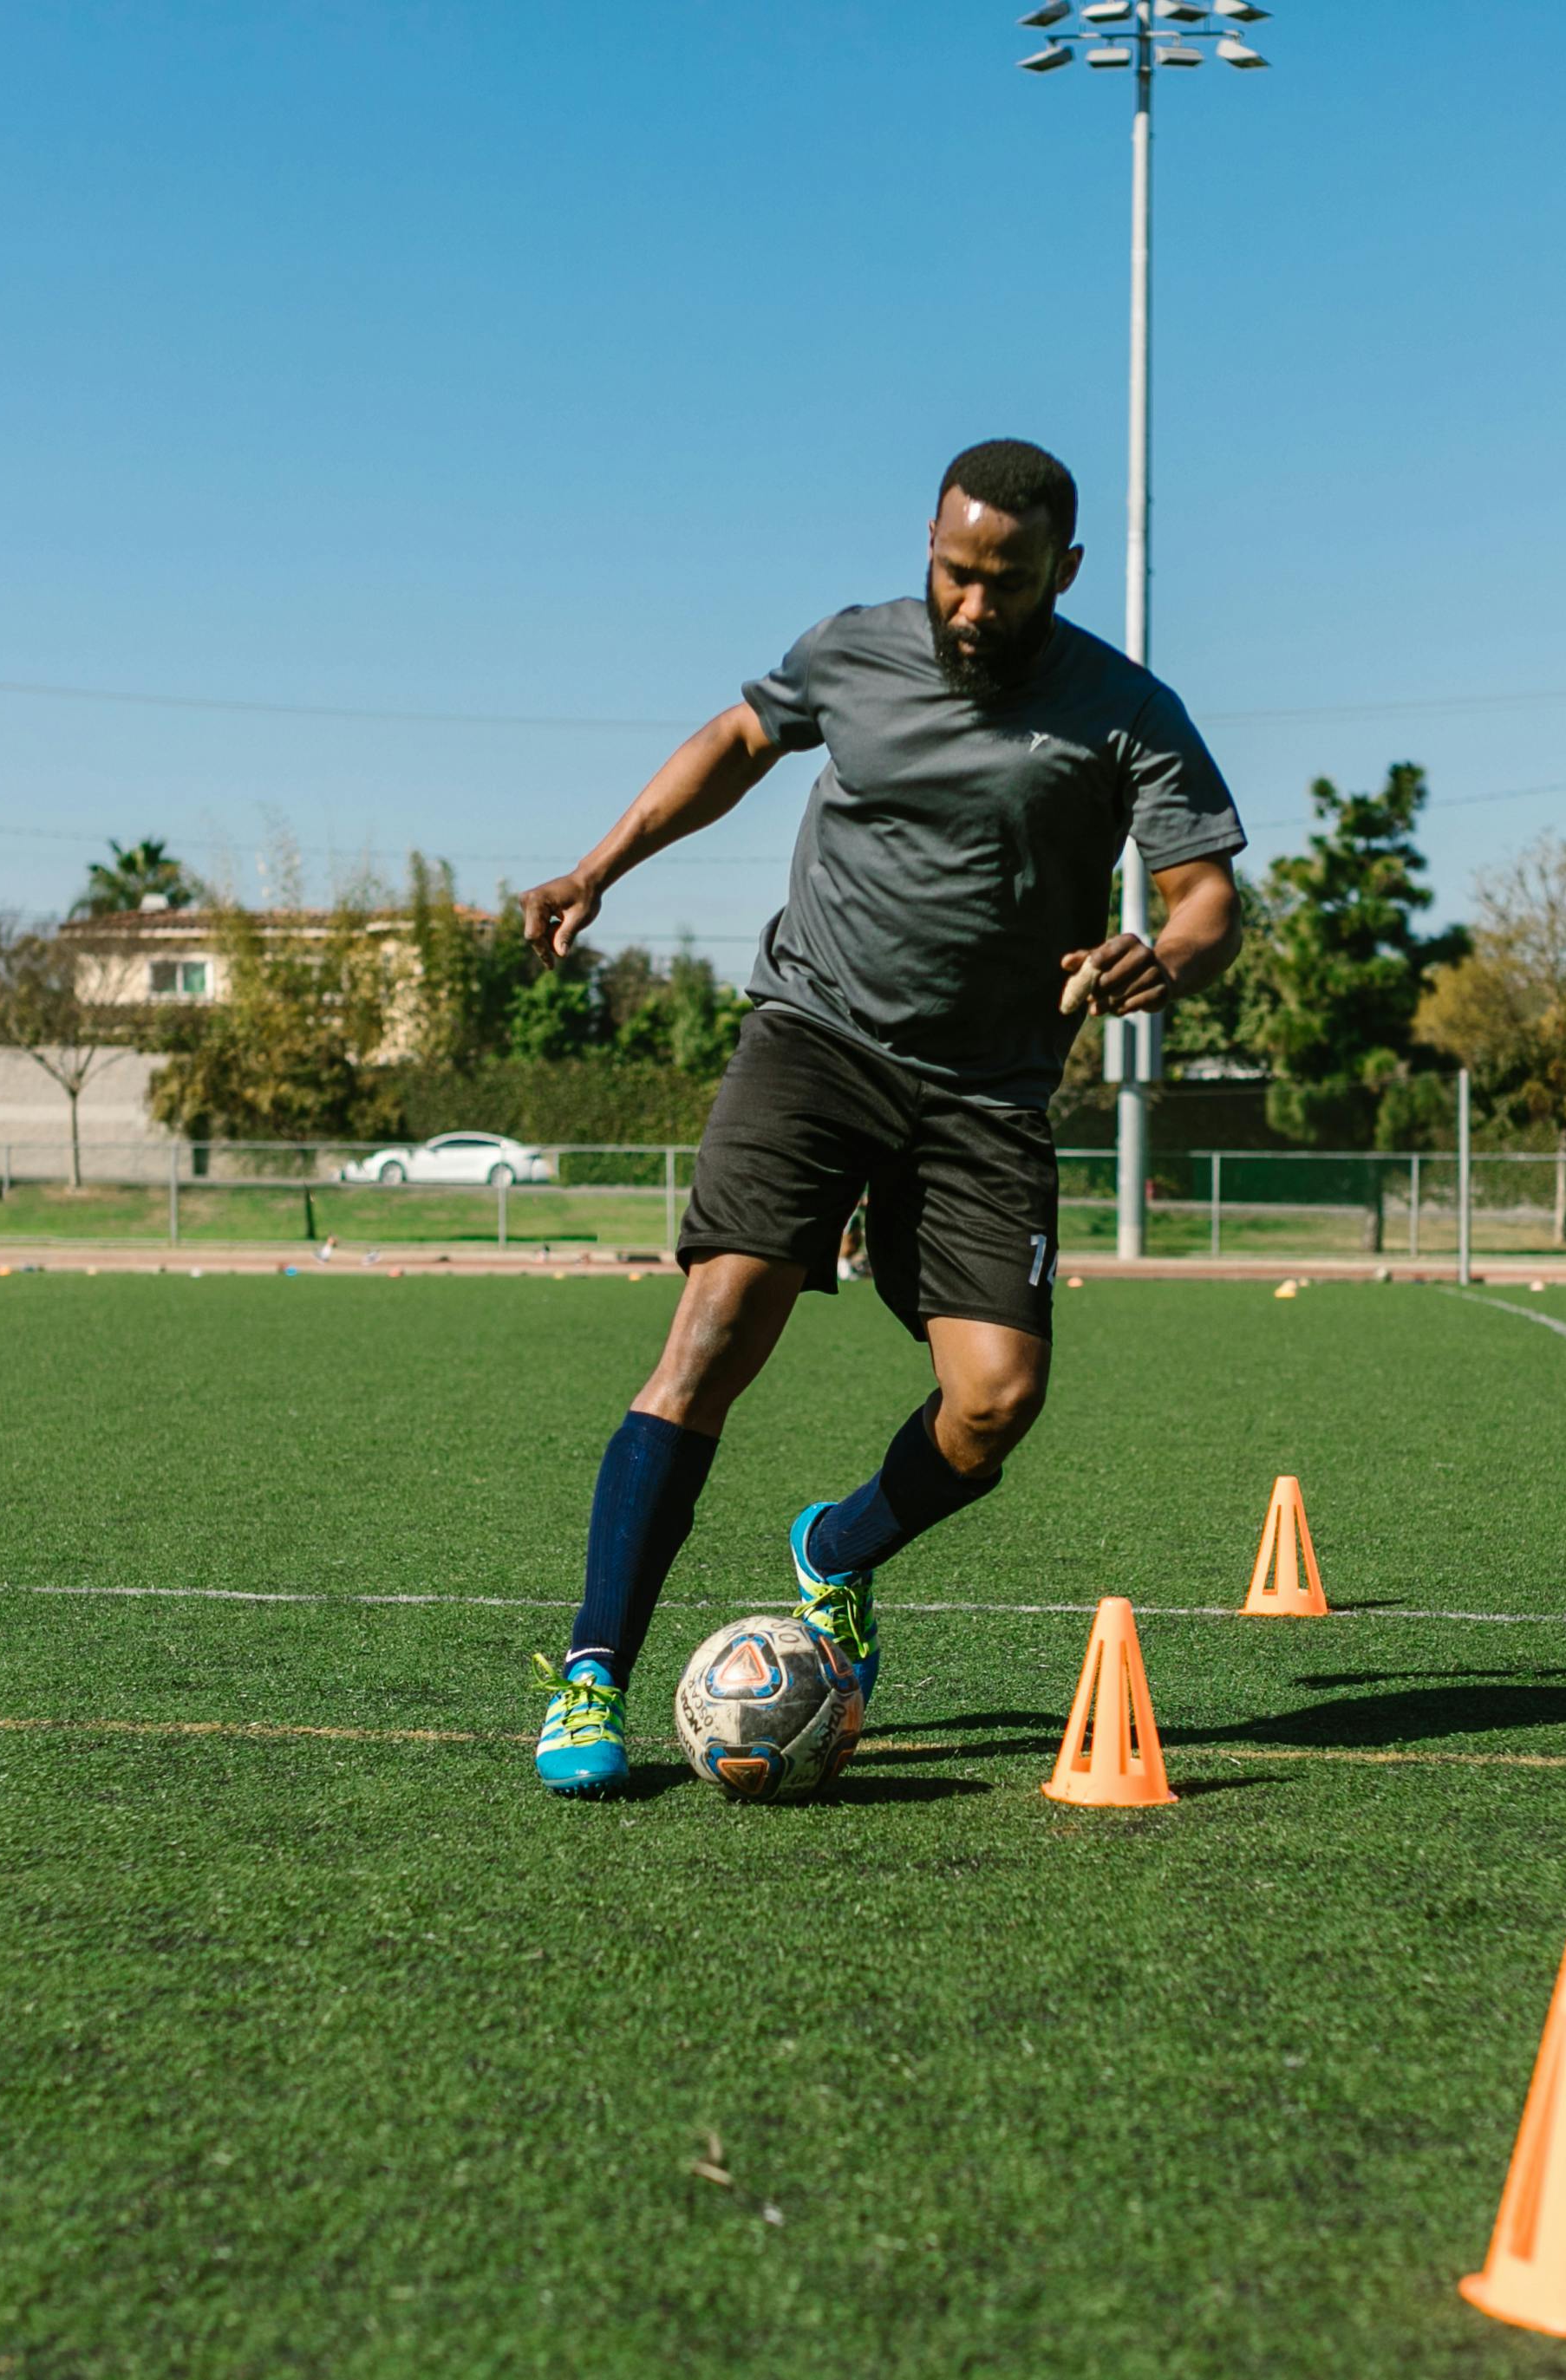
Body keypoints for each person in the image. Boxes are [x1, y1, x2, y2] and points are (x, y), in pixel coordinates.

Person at [519, 438, 1246, 1794]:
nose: (973, 605)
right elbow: (739, 741)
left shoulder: (1125, 707)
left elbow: (1205, 890)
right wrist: (597, 866)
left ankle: (836, 1551)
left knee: (993, 1403)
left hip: (986, 1088)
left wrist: (1168, 951)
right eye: (953, 572)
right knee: (718, 1322)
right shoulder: (851, 649)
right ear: (927, 544)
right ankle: (590, 1673)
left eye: (1007, 582)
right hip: (816, 1032)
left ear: (1062, 573)